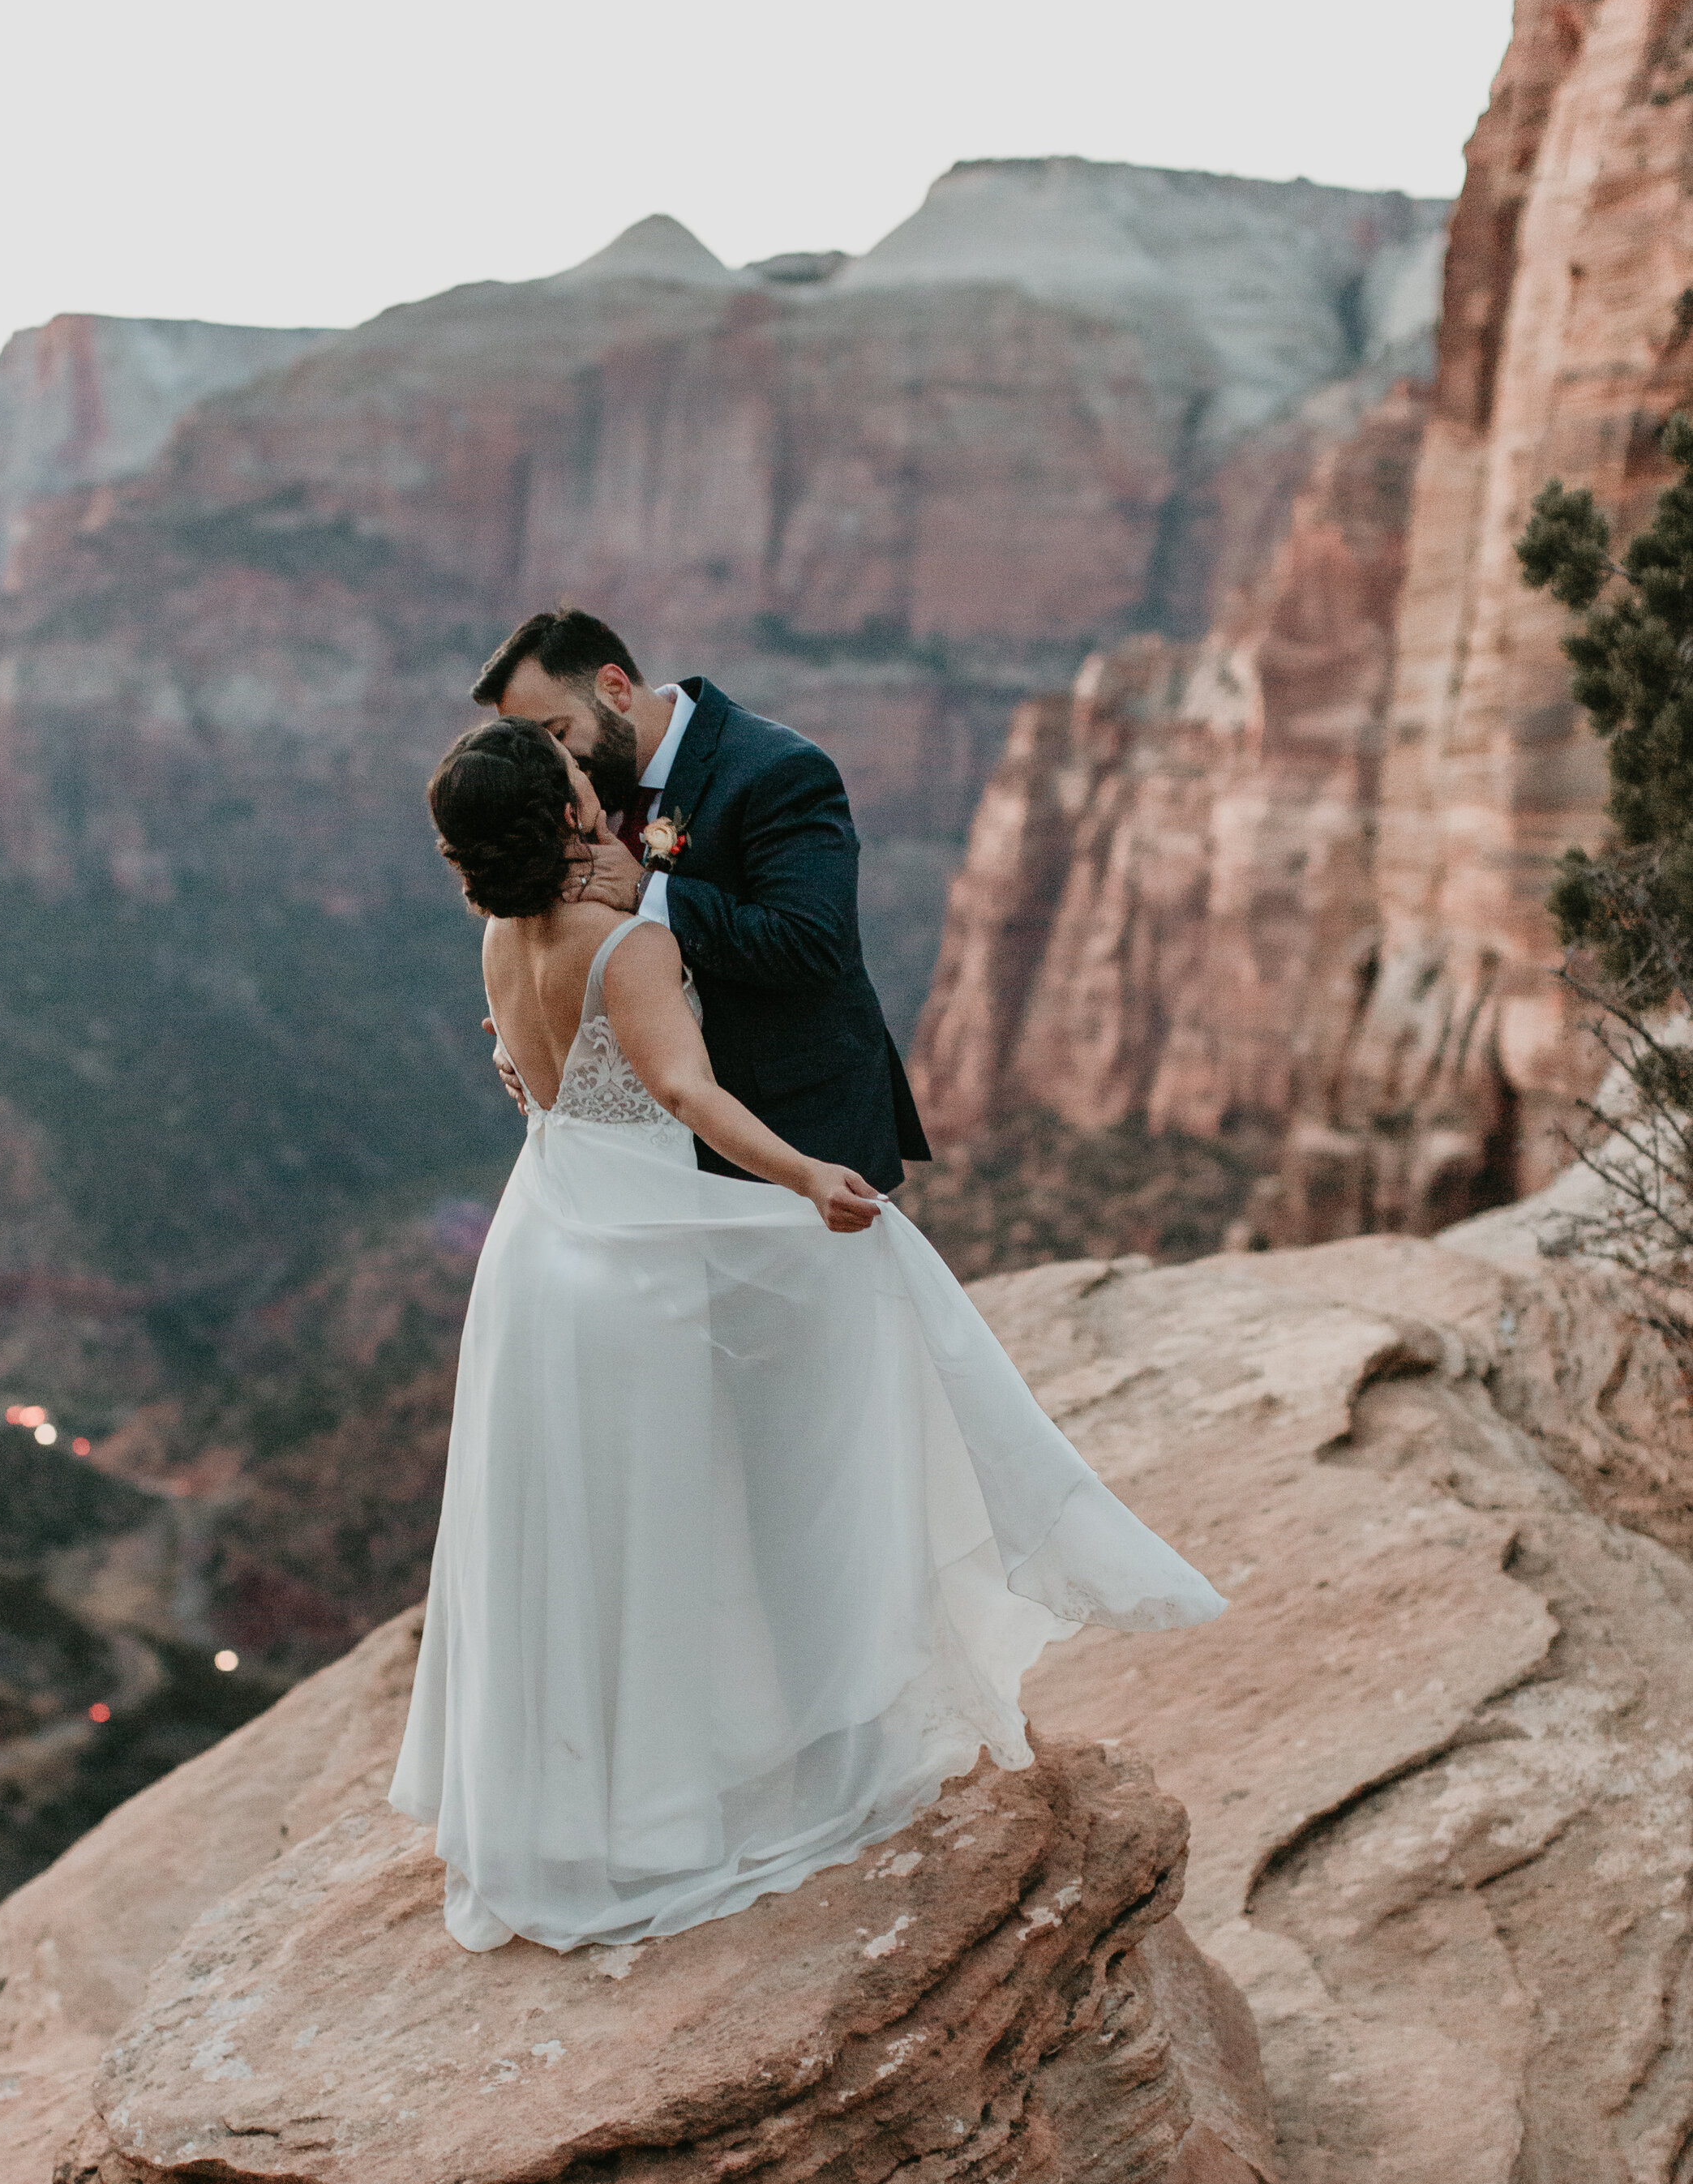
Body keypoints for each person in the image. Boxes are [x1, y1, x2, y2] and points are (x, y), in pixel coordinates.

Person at [389, 709, 1225, 1956]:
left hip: (536, 1255)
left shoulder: (501, 946)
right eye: (576, 777)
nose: (591, 779)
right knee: (666, 1526)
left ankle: (563, 1802)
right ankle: (670, 1813)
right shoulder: (628, 948)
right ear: (566, 817)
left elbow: (540, 1085)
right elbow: (686, 1092)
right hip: (637, 1268)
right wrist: (809, 1177)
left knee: (565, 1531)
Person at [466, 605, 928, 1192]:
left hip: (792, 1140)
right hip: (658, 1158)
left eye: (557, 737)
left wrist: (644, 889)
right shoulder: (582, 789)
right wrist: (539, 1049)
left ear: (614, 688)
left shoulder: (777, 771)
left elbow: (811, 944)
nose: (555, 768)